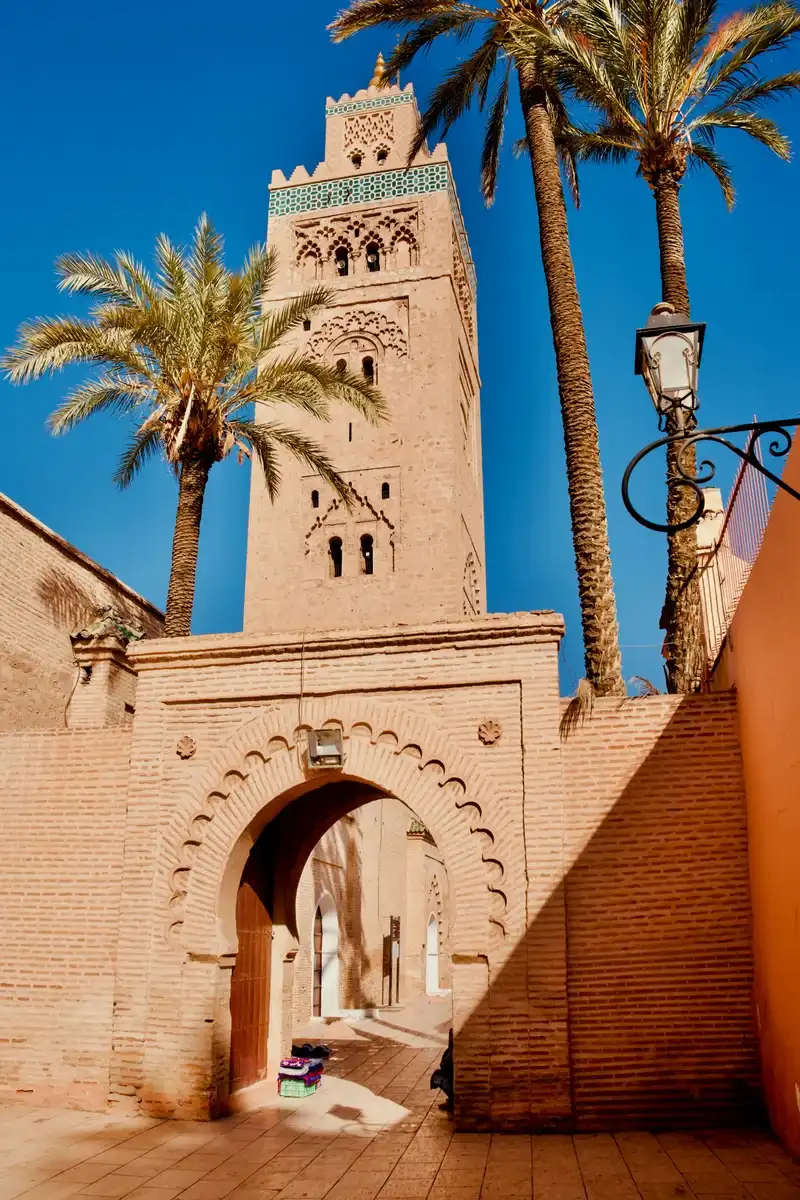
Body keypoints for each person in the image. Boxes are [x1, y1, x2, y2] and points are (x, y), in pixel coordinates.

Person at [430, 1027, 453, 1110]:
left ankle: (453, 1100)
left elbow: (445, 1066)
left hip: (455, 1082)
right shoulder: (451, 1050)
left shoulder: (452, 1051)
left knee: (436, 1077)